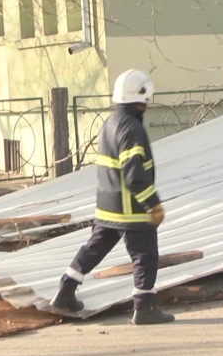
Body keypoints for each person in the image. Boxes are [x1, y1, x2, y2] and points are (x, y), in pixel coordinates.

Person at [49, 69, 174, 325]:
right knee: (145, 255)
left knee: (93, 249)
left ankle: (65, 292)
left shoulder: (111, 122)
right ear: (142, 96)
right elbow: (134, 175)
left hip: (107, 207)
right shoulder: (132, 128)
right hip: (131, 208)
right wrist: (153, 203)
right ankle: (144, 307)